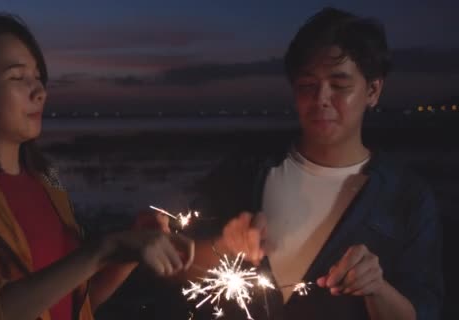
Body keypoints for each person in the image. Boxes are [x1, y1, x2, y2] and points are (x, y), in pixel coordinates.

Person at [0, 14, 196, 320]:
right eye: (18, 78)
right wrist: (101, 250)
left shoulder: (46, 183)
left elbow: (75, 305)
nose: (39, 91)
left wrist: (126, 252)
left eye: (37, 77)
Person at [188, 7, 443, 320]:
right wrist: (223, 244)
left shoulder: (407, 198)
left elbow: (426, 311)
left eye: (339, 85)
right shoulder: (245, 173)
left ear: (373, 91)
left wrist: (376, 287)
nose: (321, 98)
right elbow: (183, 266)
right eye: (308, 85)